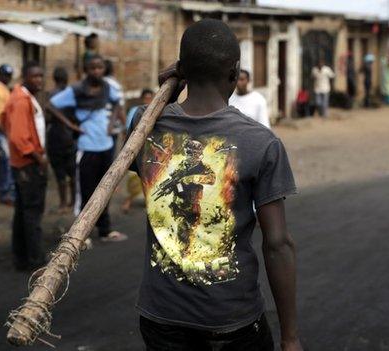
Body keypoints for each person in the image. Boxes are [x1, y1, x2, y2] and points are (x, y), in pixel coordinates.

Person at [128, 19, 302, 351]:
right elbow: (277, 245)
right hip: (230, 320)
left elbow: (155, 116)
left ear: (182, 71)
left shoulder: (144, 126)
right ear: (235, 73)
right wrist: (290, 337)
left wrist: (174, 81)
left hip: (160, 319)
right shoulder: (261, 143)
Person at [48, 55, 128, 243]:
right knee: (85, 190)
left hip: (106, 145)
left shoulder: (107, 87)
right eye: (92, 68)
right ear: (86, 70)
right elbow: (51, 105)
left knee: (105, 189)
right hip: (86, 147)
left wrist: (111, 124)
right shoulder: (76, 90)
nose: (96, 71)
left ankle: (104, 229)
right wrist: (71, 125)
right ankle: (80, 234)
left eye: (99, 67)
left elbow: (117, 103)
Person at [1, 61, 48, 271]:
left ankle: (22, 257)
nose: (38, 80)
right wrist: (38, 158)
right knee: (31, 213)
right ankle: (35, 260)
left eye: (40, 76)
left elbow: (3, 120)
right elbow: (19, 137)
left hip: (23, 163)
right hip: (28, 164)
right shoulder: (21, 99)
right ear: (25, 77)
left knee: (23, 212)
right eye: (34, 76)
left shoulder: (23, 96)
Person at [47, 67, 77, 214]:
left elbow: (48, 118)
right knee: (72, 172)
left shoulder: (51, 95)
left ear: (54, 78)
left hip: (55, 137)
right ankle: (73, 202)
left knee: (60, 174)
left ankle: (63, 203)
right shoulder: (71, 94)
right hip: (70, 137)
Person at [121, 88, 154, 213]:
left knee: (148, 179)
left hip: (150, 148)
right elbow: (129, 128)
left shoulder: (158, 110)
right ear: (142, 98)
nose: (148, 100)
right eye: (146, 98)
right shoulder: (136, 111)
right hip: (137, 147)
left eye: (149, 97)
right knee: (134, 177)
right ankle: (128, 201)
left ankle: (149, 204)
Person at [0, 64, 15, 205]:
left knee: (7, 161)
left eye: (9, 75)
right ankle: (5, 192)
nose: (7, 78)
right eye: (5, 75)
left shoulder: (6, 89)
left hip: (6, 129)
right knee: (6, 160)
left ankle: (7, 191)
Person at [103, 59, 126, 154]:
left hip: (98, 127)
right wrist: (125, 126)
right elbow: (119, 108)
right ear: (112, 70)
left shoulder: (95, 84)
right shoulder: (115, 85)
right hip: (112, 129)